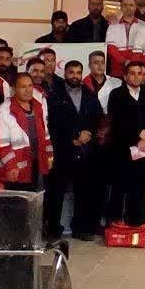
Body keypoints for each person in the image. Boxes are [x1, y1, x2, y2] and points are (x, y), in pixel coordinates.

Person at [49, 60, 103, 240]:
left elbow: (97, 117)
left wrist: (89, 133)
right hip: (63, 149)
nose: (75, 76)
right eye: (71, 72)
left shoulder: (88, 93)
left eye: (78, 72)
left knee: (84, 190)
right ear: (65, 73)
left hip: (86, 149)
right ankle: (53, 230)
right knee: (57, 192)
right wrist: (73, 136)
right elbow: (53, 121)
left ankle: (82, 228)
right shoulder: (55, 94)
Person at [105, 61, 145, 231]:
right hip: (121, 147)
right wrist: (138, 134)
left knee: (140, 184)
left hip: (143, 147)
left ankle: (138, 220)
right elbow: (117, 121)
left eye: (139, 73)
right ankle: (116, 219)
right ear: (125, 76)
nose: (136, 76)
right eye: (132, 73)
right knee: (119, 185)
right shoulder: (116, 94)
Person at [0, 74, 53, 191]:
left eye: (30, 86)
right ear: (14, 89)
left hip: (34, 165)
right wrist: (11, 166)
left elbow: (45, 135)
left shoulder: (37, 107)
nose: (28, 90)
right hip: (13, 171)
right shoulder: (5, 111)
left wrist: (49, 156)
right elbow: (2, 144)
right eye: (23, 87)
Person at [105, 0, 143, 79]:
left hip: (137, 69)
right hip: (117, 70)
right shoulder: (113, 26)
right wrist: (124, 61)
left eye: (131, 5)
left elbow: (144, 47)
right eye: (125, 5)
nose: (128, 7)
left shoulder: (143, 25)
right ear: (121, 8)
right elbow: (110, 48)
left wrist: (132, 62)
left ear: (135, 7)